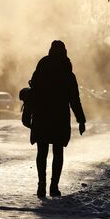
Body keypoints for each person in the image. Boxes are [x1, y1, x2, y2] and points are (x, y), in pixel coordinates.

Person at [29, 40, 86, 197]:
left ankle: (41, 185)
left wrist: (28, 114)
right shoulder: (68, 74)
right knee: (58, 152)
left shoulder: (40, 70)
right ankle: (54, 187)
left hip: (41, 116)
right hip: (59, 118)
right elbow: (74, 99)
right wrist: (81, 120)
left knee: (42, 152)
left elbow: (33, 93)